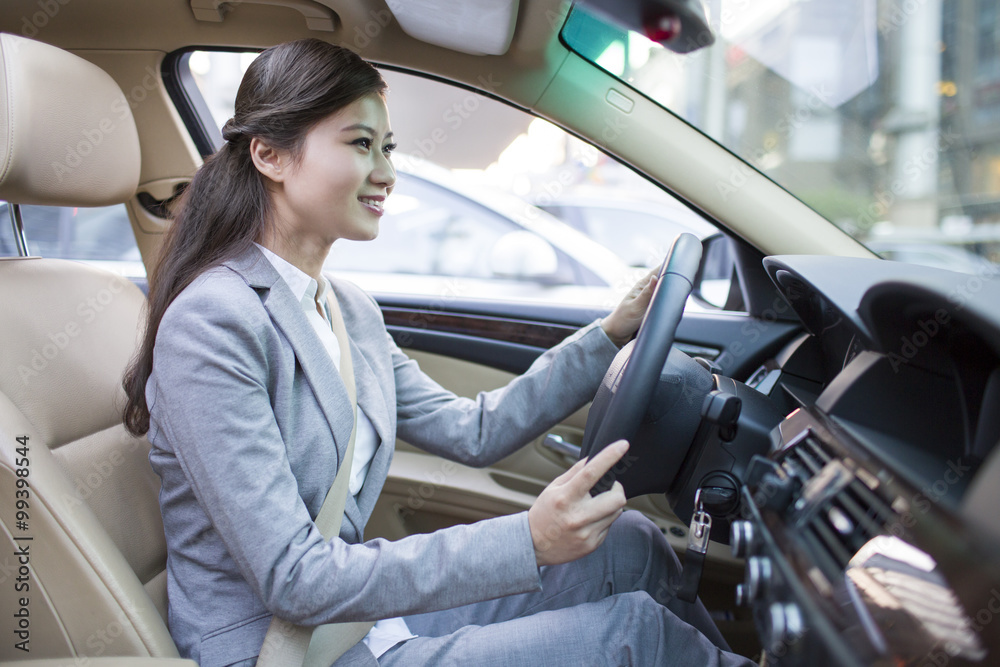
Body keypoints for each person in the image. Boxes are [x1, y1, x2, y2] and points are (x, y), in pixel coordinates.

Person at [122, 38, 754, 667]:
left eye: (388, 148)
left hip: (350, 620)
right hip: (277, 648)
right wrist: (529, 541)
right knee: (637, 636)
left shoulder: (347, 310)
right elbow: (295, 578)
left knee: (631, 545)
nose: (387, 173)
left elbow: (473, 430)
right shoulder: (212, 324)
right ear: (270, 155)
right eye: (359, 144)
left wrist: (611, 334)